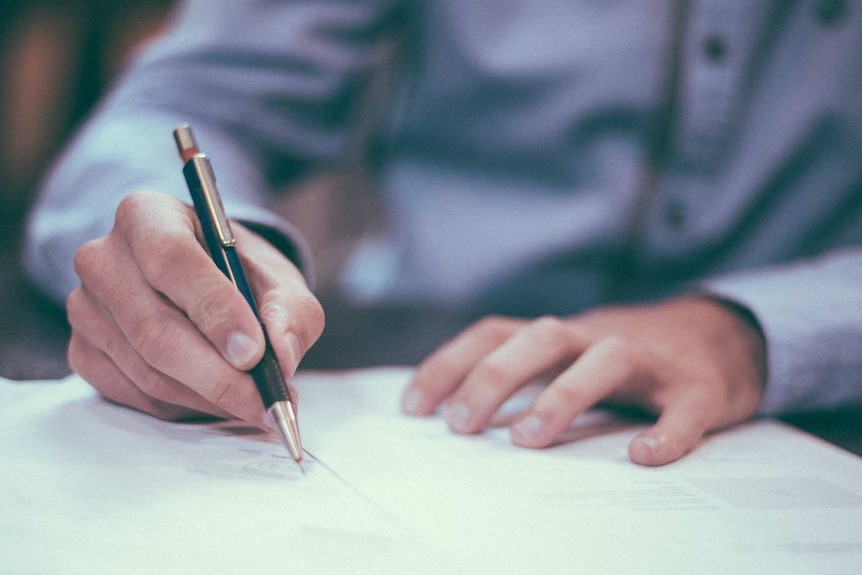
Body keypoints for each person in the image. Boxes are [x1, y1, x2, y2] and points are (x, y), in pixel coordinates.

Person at [23, 0, 862, 466]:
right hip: (421, 374)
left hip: (809, 405)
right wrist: (170, 260)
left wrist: (752, 331)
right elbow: (181, 103)